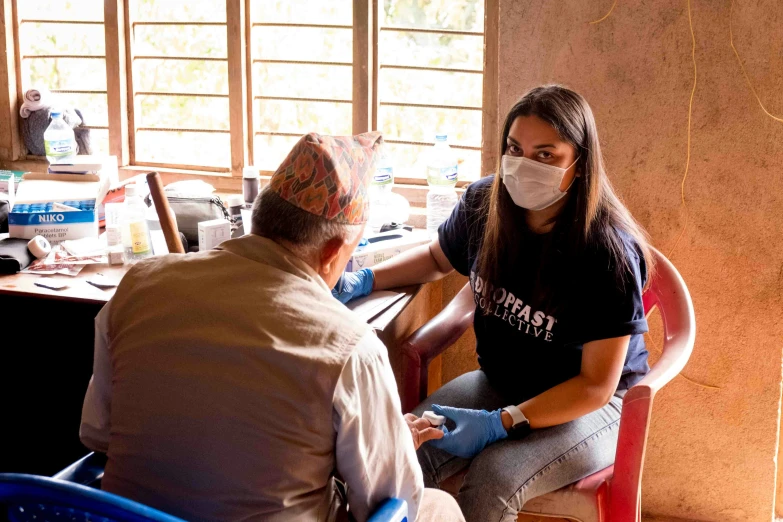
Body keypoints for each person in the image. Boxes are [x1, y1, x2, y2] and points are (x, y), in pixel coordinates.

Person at [80, 132, 465, 522]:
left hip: (125, 517)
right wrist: (391, 444)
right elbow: (391, 499)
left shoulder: (138, 286)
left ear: (259, 219)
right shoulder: (350, 347)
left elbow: (97, 434)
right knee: (439, 508)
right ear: (333, 252)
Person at [332, 85, 653, 521]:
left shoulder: (606, 255)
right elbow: (434, 258)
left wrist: (500, 423)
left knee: (493, 479)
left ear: (579, 164)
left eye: (545, 155)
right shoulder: (486, 203)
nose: (523, 165)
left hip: (589, 405)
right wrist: (363, 279)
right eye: (514, 149)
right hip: (501, 381)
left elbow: (596, 385)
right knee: (397, 449)